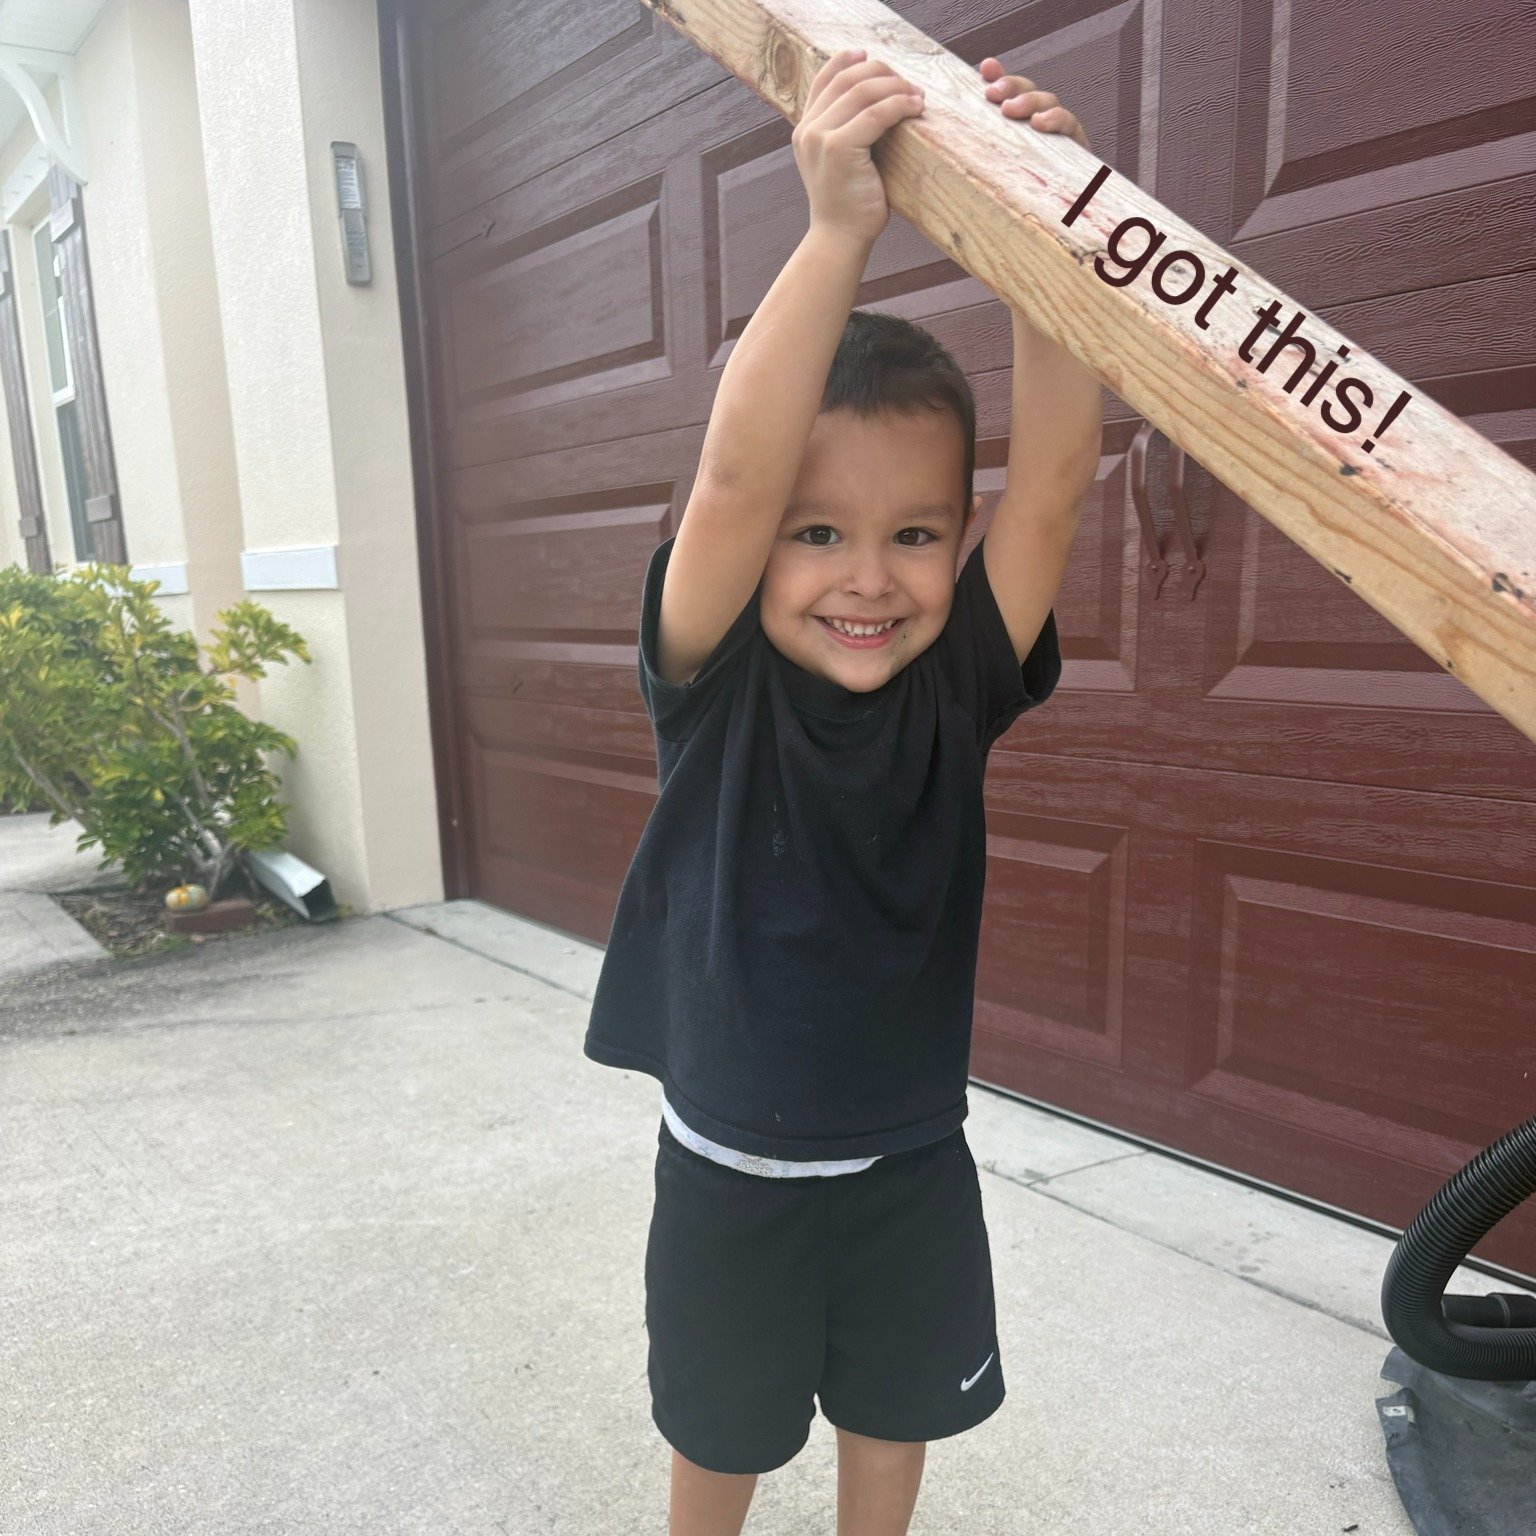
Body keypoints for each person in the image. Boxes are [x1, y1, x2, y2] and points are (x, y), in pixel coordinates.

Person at [583, 48, 1101, 1536]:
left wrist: (1050, 223)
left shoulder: (961, 682)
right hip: (730, 1169)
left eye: (917, 534)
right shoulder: (713, 674)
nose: (868, 577)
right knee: (722, 1430)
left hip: (906, 1162)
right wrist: (833, 235)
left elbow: (1057, 478)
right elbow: (734, 482)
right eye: (821, 534)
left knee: (896, 1414)